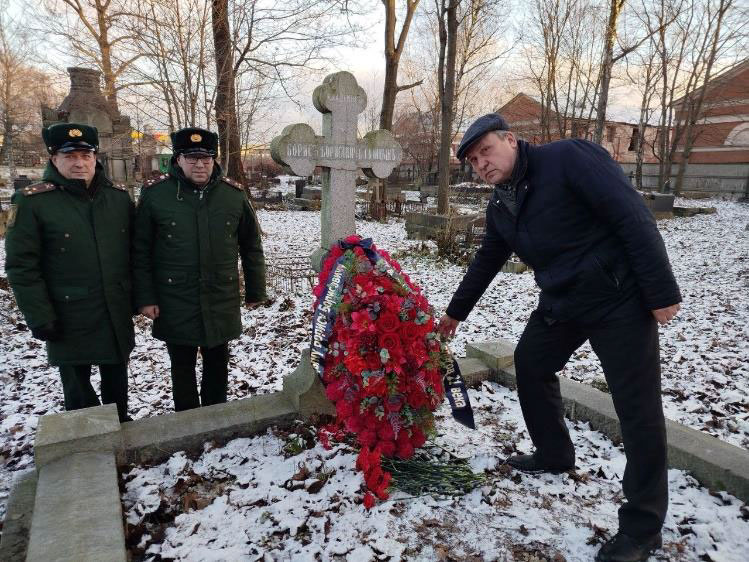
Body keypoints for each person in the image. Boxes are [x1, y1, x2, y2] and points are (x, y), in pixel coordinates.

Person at [437, 114, 681, 562]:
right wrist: (455, 314)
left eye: (486, 151)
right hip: (562, 302)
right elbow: (488, 258)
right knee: (531, 364)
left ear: (511, 139)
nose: (481, 164)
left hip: (618, 299)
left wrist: (660, 291)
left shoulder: (568, 158)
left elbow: (631, 216)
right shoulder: (501, 204)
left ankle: (643, 527)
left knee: (637, 408)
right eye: (472, 160)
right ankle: (554, 453)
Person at [6, 123, 135, 422]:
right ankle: (85, 436)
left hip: (114, 308)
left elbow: (135, 253)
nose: (79, 163)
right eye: (70, 156)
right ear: (54, 159)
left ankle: (120, 428)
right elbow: (21, 266)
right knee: (78, 391)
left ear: (95, 157)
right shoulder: (33, 201)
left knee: (117, 379)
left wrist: (139, 297)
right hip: (67, 313)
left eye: (85, 155)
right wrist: (39, 315)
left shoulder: (117, 198)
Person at [133, 127, 266, 412]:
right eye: (192, 158)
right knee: (182, 365)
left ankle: (215, 417)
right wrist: (145, 298)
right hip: (175, 298)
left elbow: (251, 245)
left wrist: (256, 291)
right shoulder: (157, 195)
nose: (200, 165)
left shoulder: (232, 195)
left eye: (206, 158)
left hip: (220, 296)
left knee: (217, 362)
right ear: (178, 159)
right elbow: (140, 251)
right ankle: (187, 420)